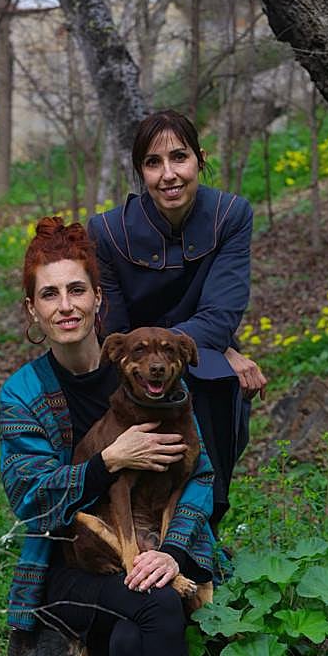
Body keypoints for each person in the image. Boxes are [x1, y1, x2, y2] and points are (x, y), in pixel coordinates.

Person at [0, 217, 221, 656]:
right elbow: (31, 501)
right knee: (151, 608)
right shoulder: (24, 394)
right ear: (32, 309)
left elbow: (200, 478)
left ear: (100, 299)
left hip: (150, 561)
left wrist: (175, 553)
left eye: (77, 290)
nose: (65, 305)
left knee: (137, 631)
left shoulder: (160, 378)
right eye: (49, 294)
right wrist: (107, 462)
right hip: (72, 568)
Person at [88, 108, 267, 530]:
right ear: (140, 172)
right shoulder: (108, 232)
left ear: (200, 159)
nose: (169, 174)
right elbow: (115, 332)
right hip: (136, 363)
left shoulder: (231, 215)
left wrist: (218, 347)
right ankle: (137, 526)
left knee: (218, 380)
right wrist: (197, 348)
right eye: (153, 163)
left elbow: (221, 315)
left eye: (179, 158)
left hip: (200, 352)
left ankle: (203, 529)